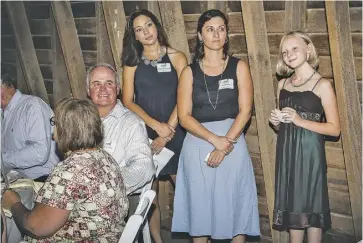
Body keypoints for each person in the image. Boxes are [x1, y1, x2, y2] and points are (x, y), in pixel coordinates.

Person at [172, 9, 260, 243]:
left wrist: (225, 144)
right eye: (210, 29)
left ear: (227, 35)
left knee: (235, 206)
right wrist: (214, 140)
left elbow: (245, 111)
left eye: (221, 29)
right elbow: (184, 116)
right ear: (200, 35)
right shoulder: (189, 72)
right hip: (198, 145)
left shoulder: (239, 67)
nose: (216, 34)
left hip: (232, 145)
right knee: (200, 210)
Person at [2, 98, 129, 242]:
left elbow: (35, 227)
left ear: (65, 129)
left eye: (54, 122)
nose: (52, 128)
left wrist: (13, 203)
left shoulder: (70, 171)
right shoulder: (105, 157)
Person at [121, 9, 187, 243]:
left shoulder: (177, 57)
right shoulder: (132, 63)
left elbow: (184, 97)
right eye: (139, 29)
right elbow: (128, 100)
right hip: (146, 132)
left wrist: (167, 130)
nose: (146, 32)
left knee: (185, 190)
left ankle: (193, 237)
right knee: (150, 194)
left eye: (148, 25)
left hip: (177, 130)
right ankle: (156, 240)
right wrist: (155, 127)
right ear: (135, 37)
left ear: (156, 26)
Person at [269, 31, 340, 243]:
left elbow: (335, 129)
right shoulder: (282, 85)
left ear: (308, 49)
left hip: (310, 156)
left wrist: (301, 121)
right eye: (284, 52)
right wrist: (277, 123)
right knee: (294, 211)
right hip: (288, 154)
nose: (289, 54)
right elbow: (283, 128)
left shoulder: (322, 85)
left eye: (294, 48)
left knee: (312, 211)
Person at [86, 64, 155, 195]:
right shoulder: (80, 120)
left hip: (118, 197)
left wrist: (106, 187)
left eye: (109, 83)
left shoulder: (131, 123)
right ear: (88, 91)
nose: (103, 89)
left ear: (117, 89)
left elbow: (144, 166)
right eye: (96, 84)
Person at [1, 71, 59, 181]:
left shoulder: (32, 106)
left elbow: (39, 152)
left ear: (10, 85)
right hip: (16, 179)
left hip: (43, 180)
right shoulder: (3, 111)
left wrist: (2, 159)